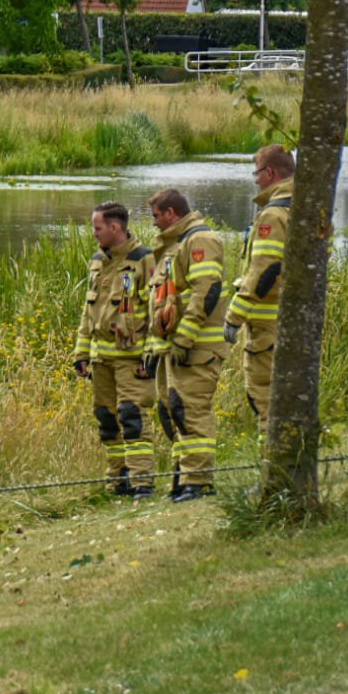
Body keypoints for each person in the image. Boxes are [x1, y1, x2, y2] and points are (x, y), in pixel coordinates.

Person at [72, 201, 158, 497]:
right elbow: (88, 311)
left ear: (115, 227)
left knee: (132, 417)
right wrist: (81, 353)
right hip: (101, 359)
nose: (94, 233)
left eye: (97, 228)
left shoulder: (144, 259)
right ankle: (118, 480)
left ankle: (142, 482)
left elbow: (156, 310)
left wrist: (150, 355)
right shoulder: (97, 261)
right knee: (107, 420)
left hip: (131, 360)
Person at [145, 189, 227, 502]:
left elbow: (207, 291)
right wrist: (155, 347)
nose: (154, 223)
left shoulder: (200, 240)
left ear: (171, 212)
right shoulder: (173, 245)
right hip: (174, 350)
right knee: (174, 412)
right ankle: (184, 479)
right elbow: (165, 301)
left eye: (156, 216)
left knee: (191, 411)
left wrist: (184, 338)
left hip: (196, 348)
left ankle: (200, 483)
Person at [224, 144, 295, 435]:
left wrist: (234, 316)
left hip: (267, 327)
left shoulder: (273, 215)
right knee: (290, 401)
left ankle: (273, 460)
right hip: (295, 322)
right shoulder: (307, 206)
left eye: (257, 173)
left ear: (270, 173)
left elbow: (265, 271)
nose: (255, 180)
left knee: (264, 400)